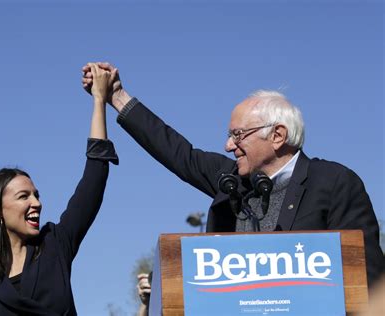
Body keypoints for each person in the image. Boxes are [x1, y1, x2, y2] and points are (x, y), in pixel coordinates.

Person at [82, 62, 384, 288]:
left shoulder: (334, 182)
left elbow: (369, 278)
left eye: (238, 135)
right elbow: (176, 151)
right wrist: (117, 97)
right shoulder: (231, 181)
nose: (229, 146)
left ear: (277, 135)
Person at [0, 64, 118, 315]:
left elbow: (94, 178)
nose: (37, 203)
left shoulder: (56, 245)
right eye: (23, 196)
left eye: (37, 195)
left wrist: (99, 101)